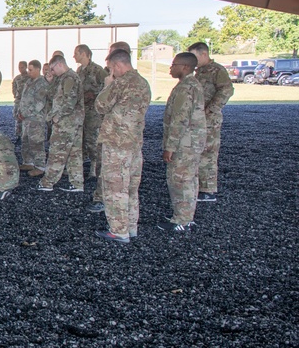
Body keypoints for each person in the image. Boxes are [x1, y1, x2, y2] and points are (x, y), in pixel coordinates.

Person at [91, 49, 151, 243]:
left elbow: (100, 106)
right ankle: (131, 227)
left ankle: (118, 230)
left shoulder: (120, 83)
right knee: (131, 188)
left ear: (117, 66)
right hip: (134, 143)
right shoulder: (143, 83)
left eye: (111, 69)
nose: (111, 73)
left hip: (117, 143)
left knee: (115, 187)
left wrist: (107, 85)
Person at [160, 52, 206, 232]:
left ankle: (182, 220)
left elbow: (180, 119)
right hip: (192, 141)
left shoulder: (186, 88)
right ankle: (185, 214)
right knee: (190, 178)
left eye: (174, 64)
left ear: (185, 67)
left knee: (180, 179)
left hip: (184, 143)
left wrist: (170, 147)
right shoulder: (190, 84)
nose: (171, 68)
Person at [188, 41, 233, 203]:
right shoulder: (199, 71)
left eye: (194, 57)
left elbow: (227, 89)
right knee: (197, 152)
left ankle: (208, 190)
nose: (192, 61)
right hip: (198, 120)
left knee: (208, 153)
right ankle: (199, 186)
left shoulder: (217, 70)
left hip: (209, 120)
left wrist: (212, 109)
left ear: (204, 54)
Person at [37, 55, 84, 193]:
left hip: (66, 123)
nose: (51, 72)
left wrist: (57, 116)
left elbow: (69, 101)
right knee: (74, 153)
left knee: (57, 152)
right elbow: (54, 96)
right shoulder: (63, 78)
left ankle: (48, 182)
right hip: (72, 122)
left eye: (52, 69)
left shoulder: (69, 78)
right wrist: (50, 81)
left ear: (59, 65)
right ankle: (77, 183)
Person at [74, 44, 107, 177]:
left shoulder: (98, 70)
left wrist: (95, 95)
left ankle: (96, 168)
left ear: (83, 54)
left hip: (94, 113)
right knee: (81, 140)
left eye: (76, 53)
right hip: (81, 111)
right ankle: (80, 167)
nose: (74, 56)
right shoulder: (79, 71)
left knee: (93, 140)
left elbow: (109, 88)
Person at [18, 60, 49, 175]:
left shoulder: (42, 83)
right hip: (26, 119)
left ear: (37, 69)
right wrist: (20, 112)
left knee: (36, 143)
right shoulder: (29, 82)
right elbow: (24, 99)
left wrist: (25, 113)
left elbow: (39, 103)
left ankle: (40, 166)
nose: (28, 72)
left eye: (30, 70)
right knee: (25, 141)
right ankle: (28, 162)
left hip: (36, 119)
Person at [11, 60, 29, 142]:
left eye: (22, 67)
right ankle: (18, 135)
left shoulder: (29, 77)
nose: (20, 69)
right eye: (19, 67)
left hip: (27, 101)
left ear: (26, 67)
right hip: (18, 100)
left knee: (27, 118)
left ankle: (26, 135)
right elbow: (14, 87)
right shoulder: (17, 78)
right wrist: (16, 95)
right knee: (18, 118)